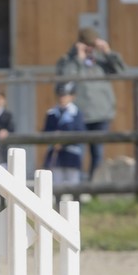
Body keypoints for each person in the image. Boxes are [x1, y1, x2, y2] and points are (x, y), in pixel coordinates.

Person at [55, 27, 126, 181]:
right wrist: (78, 60)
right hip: (78, 115)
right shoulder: (68, 60)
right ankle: (77, 186)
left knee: (97, 153)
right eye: (87, 44)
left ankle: (94, 186)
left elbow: (121, 71)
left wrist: (108, 52)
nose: (90, 48)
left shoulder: (101, 61)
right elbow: (65, 79)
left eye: (92, 45)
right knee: (76, 151)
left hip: (101, 114)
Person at [42, 81, 87, 191]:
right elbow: (46, 131)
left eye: (65, 95)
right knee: (57, 186)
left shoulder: (77, 113)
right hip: (56, 153)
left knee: (73, 185)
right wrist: (53, 141)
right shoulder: (51, 113)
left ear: (72, 96)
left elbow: (79, 133)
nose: (62, 98)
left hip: (71, 154)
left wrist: (63, 143)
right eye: (60, 95)